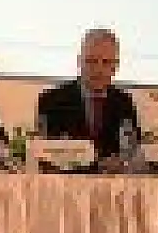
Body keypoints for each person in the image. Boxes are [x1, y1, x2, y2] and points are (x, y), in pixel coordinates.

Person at [35, 28, 140, 159]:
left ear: (115, 66)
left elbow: (132, 152)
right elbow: (44, 154)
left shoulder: (125, 103)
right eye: (91, 61)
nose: (99, 69)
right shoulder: (51, 101)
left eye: (106, 62)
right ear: (80, 62)